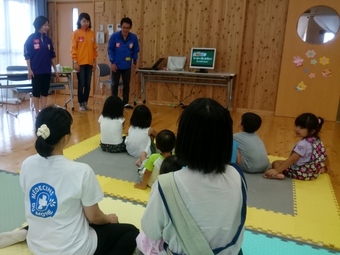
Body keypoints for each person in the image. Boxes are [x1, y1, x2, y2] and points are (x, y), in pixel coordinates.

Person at [19, 105, 139, 254]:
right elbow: (94, 217)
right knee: (131, 232)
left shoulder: (26, 164)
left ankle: (21, 233)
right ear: (66, 138)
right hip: (74, 250)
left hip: (37, 245)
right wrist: (108, 218)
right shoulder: (81, 171)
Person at [140, 98, 246, 255]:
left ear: (183, 139)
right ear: (226, 140)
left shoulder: (167, 184)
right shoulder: (238, 176)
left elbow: (151, 230)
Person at [264, 112, 331, 180]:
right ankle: (321, 169)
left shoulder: (303, 144)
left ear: (312, 131)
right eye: (296, 126)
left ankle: (279, 174)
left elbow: (292, 159)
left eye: (302, 128)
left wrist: (276, 170)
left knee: (276, 162)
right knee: (284, 162)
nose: (297, 129)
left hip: (300, 174)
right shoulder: (318, 140)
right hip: (313, 173)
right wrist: (328, 166)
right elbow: (324, 155)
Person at [24, 15, 59, 115]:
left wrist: (55, 70)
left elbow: (52, 56)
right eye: (45, 25)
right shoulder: (31, 38)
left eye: (47, 25)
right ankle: (37, 112)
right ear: (39, 25)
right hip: (36, 71)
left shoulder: (48, 40)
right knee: (36, 92)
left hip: (46, 70)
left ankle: (43, 112)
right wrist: (29, 69)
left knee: (45, 91)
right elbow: (27, 55)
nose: (47, 27)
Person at [107, 17, 140, 109]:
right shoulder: (114, 36)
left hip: (127, 65)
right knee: (115, 85)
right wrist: (112, 62)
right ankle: (114, 104)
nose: (125, 29)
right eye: (124, 27)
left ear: (130, 28)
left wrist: (134, 62)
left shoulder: (133, 37)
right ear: (121, 27)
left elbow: (135, 50)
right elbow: (110, 50)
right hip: (116, 65)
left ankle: (125, 102)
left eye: (127, 28)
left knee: (126, 85)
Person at [70, 12, 98, 111]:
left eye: (87, 21)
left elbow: (95, 50)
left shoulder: (92, 33)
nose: (86, 23)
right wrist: (75, 62)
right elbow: (74, 49)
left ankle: (85, 103)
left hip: (90, 63)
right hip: (80, 63)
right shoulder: (76, 33)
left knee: (88, 84)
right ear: (80, 21)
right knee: (81, 83)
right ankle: (80, 103)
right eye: (84, 21)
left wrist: (94, 62)